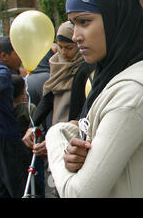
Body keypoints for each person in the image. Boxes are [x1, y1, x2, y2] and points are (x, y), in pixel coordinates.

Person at [45, 0, 143, 197]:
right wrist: (77, 147)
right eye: (73, 24)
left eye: (84, 22)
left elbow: (78, 193)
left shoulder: (131, 97)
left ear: (116, 19)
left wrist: (54, 135)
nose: (75, 36)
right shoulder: (110, 77)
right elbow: (90, 129)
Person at [22, 21, 94, 197]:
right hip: (55, 132)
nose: (63, 53)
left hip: (75, 137)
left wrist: (58, 139)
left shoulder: (86, 70)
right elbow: (48, 98)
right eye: (60, 47)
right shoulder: (56, 64)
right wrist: (33, 125)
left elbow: (84, 112)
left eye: (68, 47)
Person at [0, 37, 31, 197]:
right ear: (4, 56)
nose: (21, 58)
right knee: (20, 187)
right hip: (2, 134)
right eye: (17, 53)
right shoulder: (1, 71)